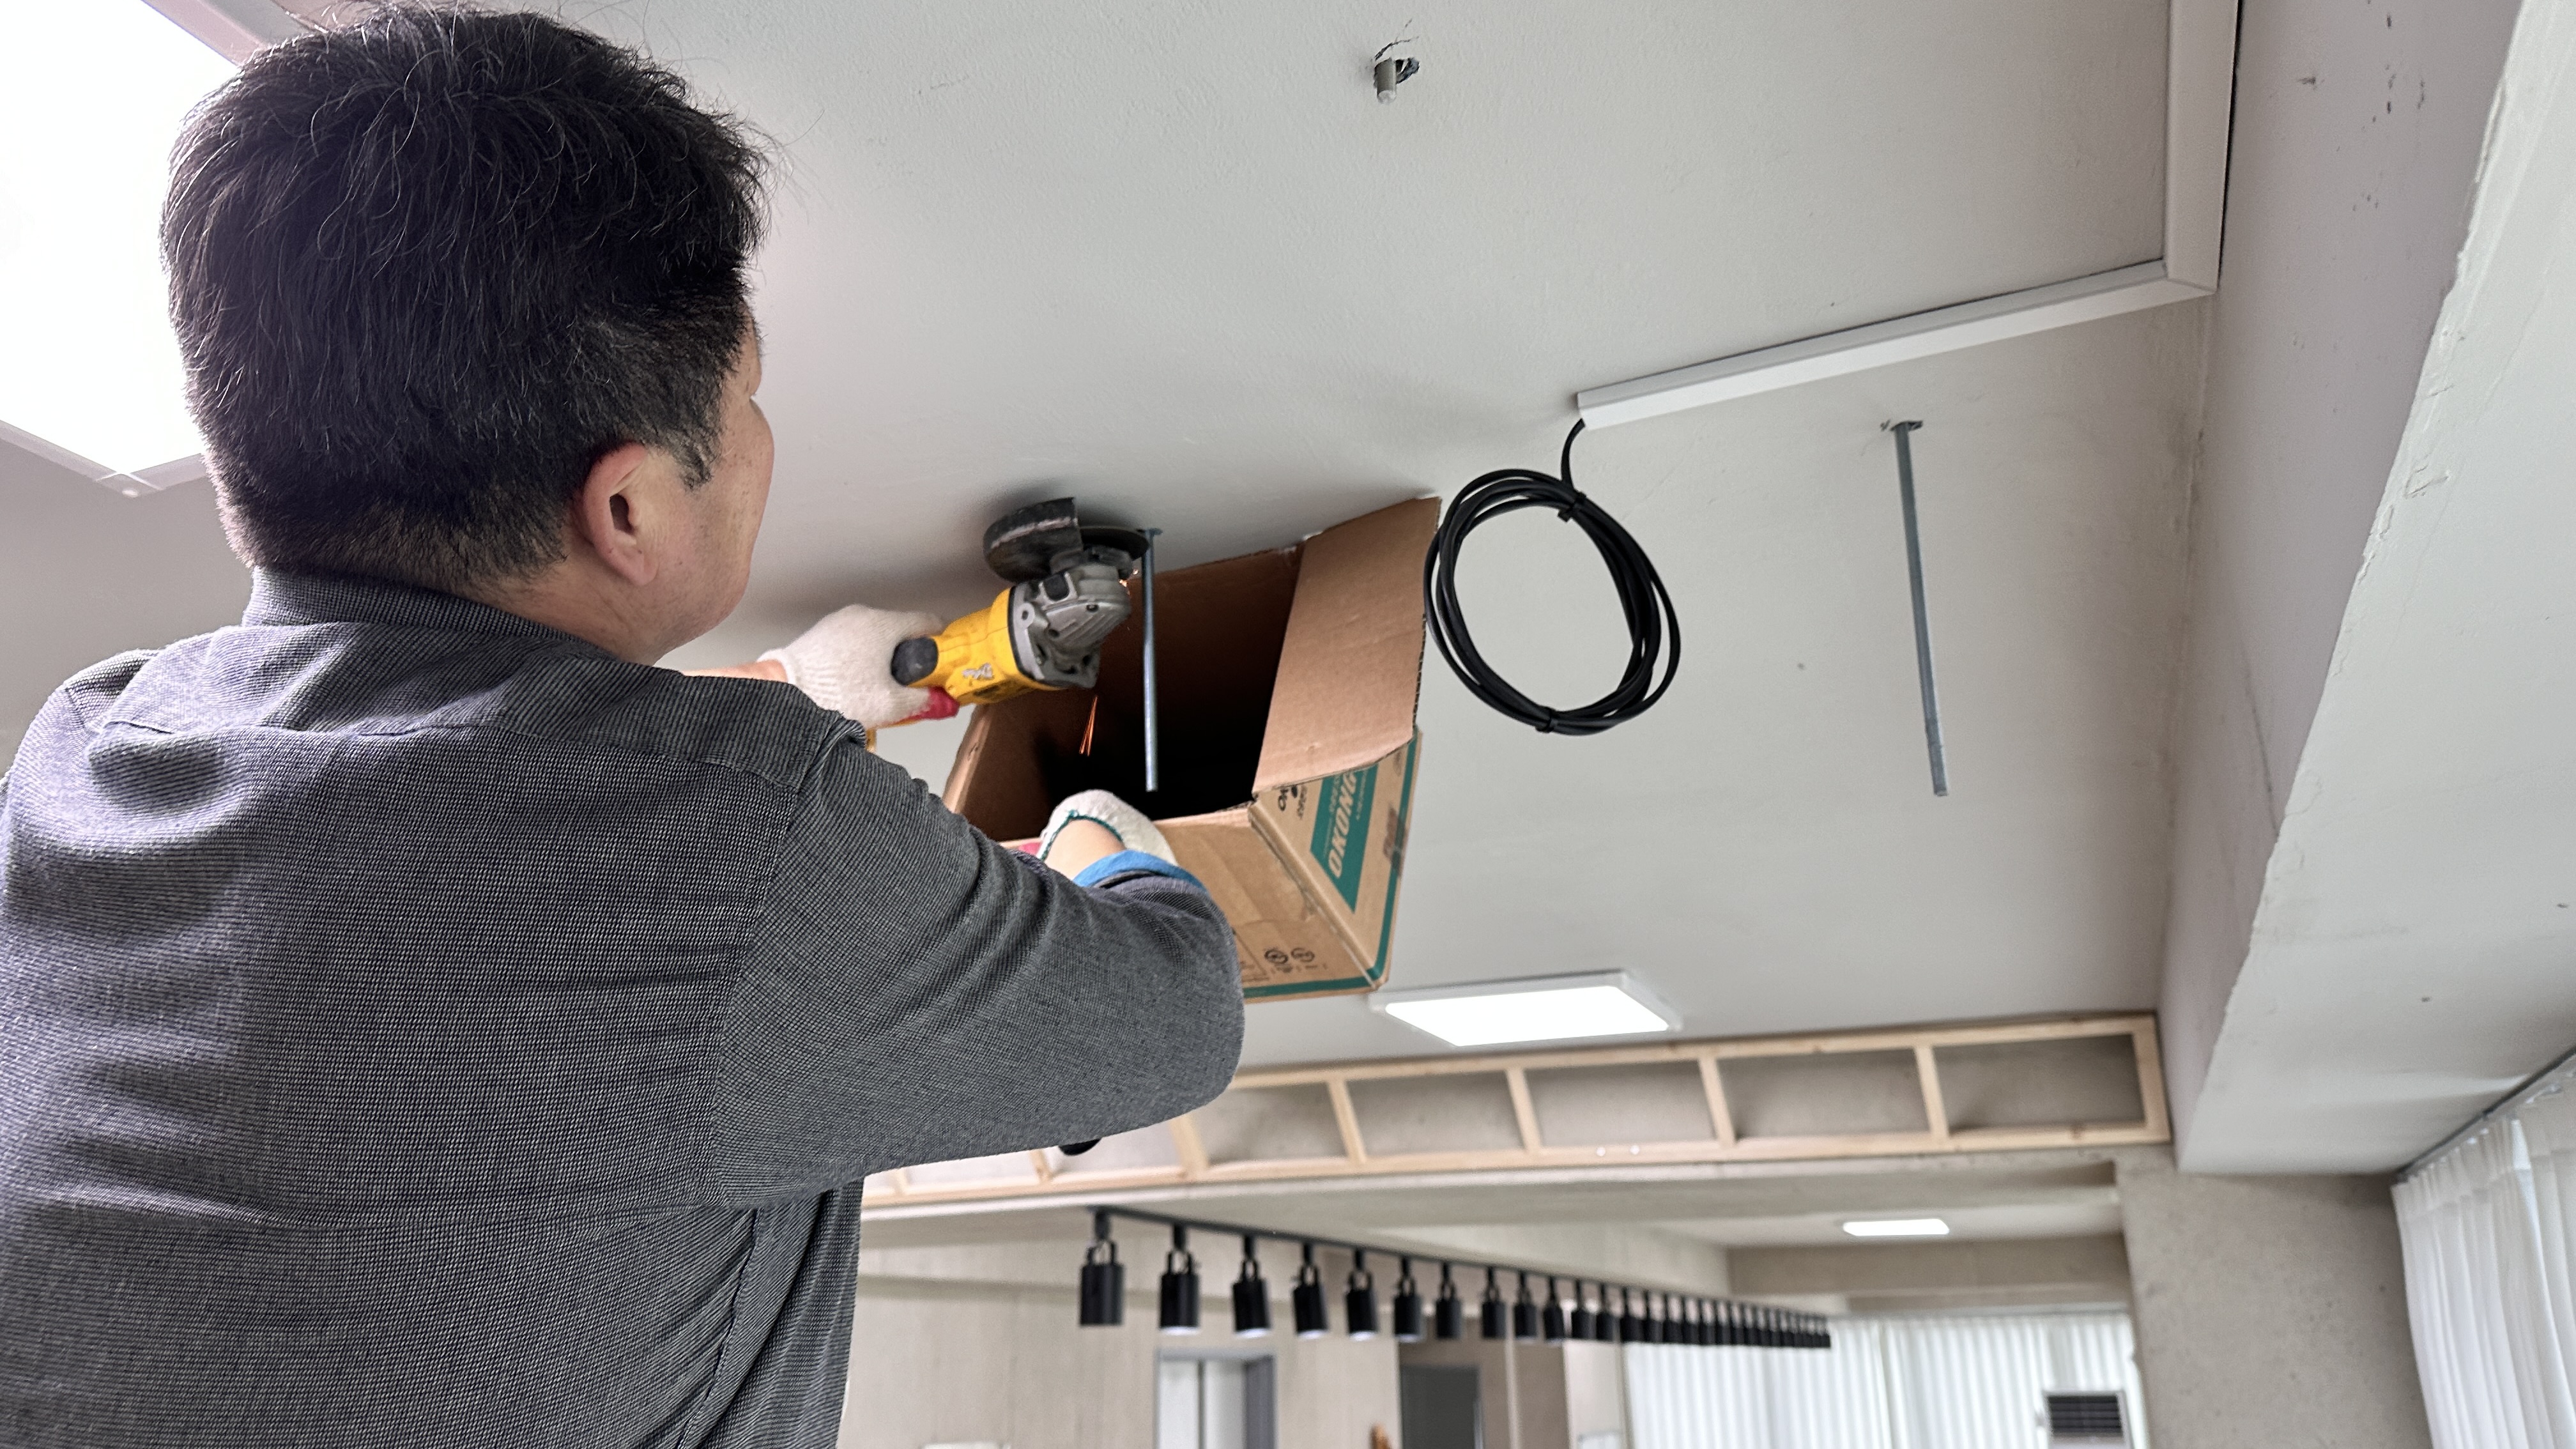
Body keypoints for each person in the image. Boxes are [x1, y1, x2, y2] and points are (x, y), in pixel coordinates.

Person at [0, 8, 1243, 1448]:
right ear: (631, 505)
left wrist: (772, 705)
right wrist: (1090, 833)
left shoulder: (86, 752)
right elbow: (1179, 1011)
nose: (761, 432)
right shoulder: (758, 850)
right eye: (750, 395)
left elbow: (471, 856)